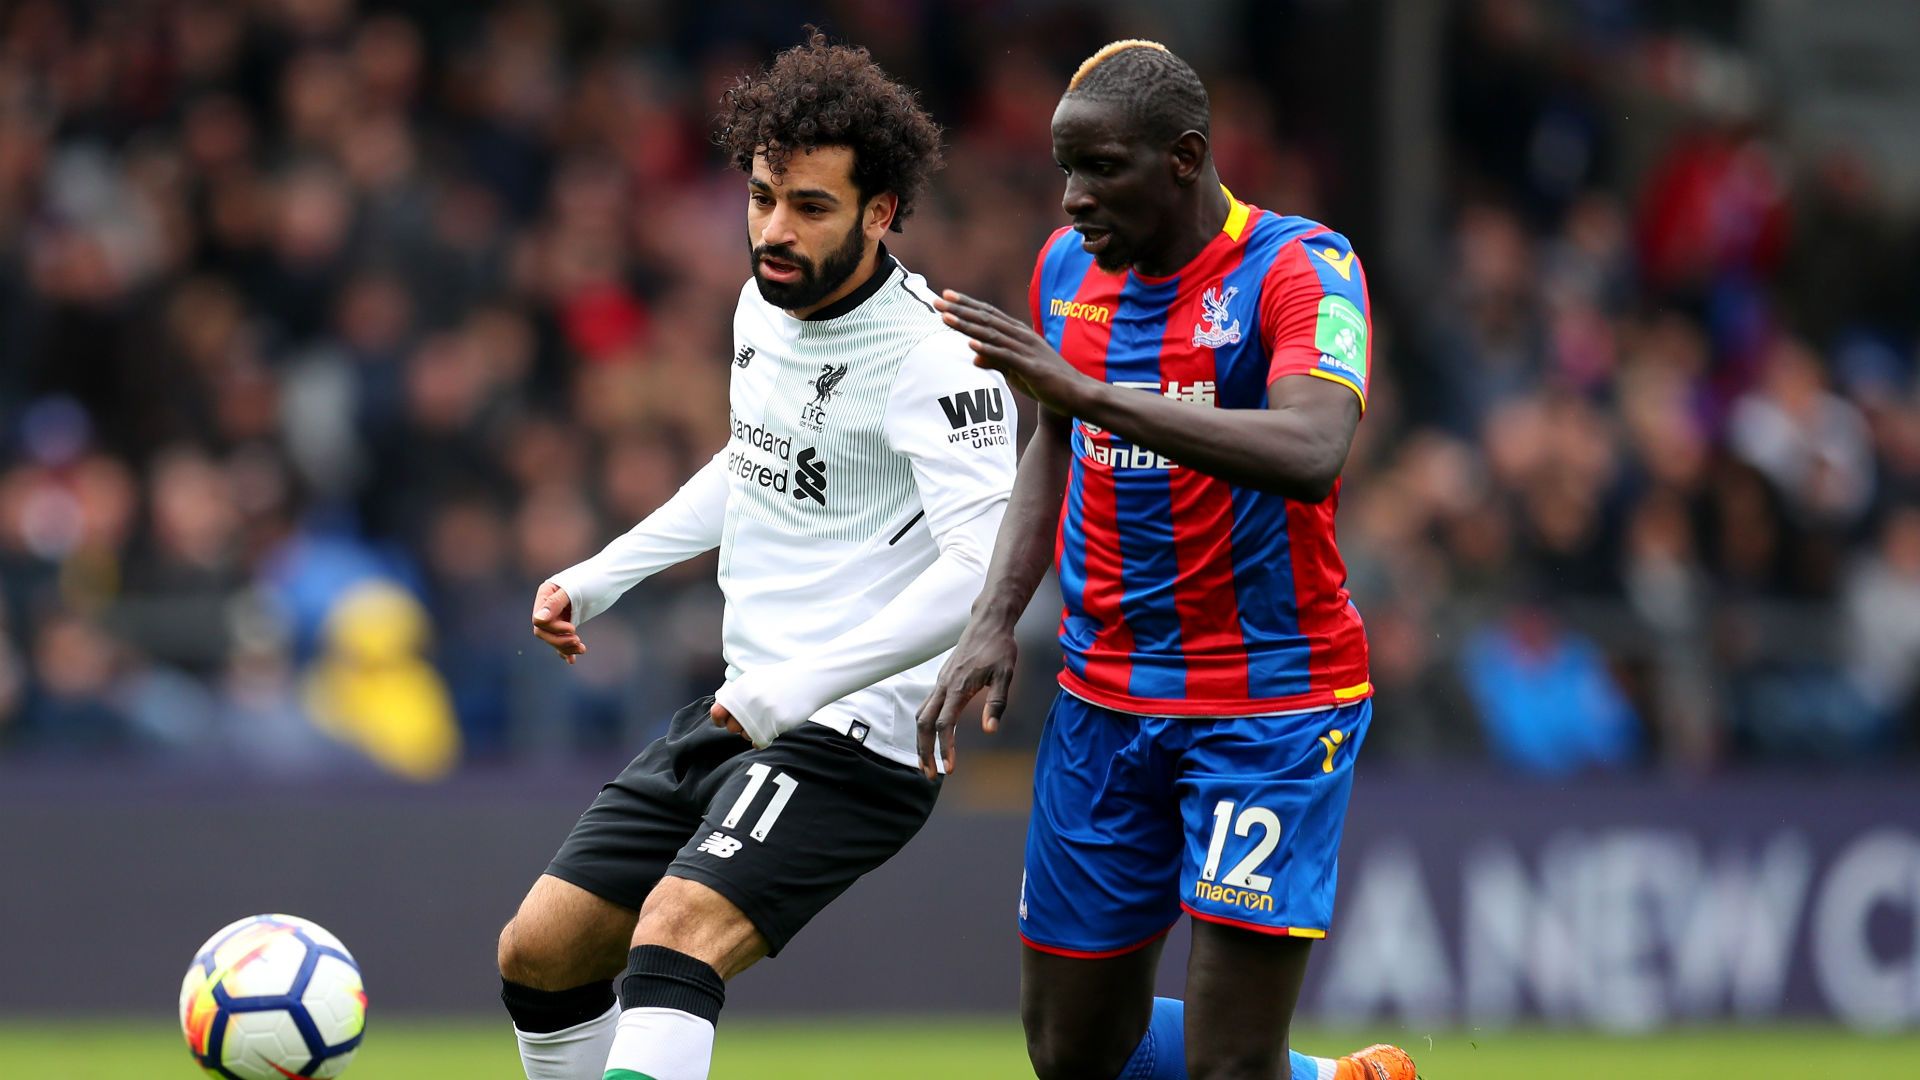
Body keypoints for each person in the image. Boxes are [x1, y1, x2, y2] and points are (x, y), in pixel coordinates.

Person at [493, 33, 1016, 1080]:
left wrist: (794, 691)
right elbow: (756, 466)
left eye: (810, 207)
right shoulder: (763, 304)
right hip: (751, 705)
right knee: (540, 954)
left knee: (676, 934)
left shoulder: (936, 356)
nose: (774, 230)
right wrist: (602, 575)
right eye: (762, 196)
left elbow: (979, 574)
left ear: (880, 213)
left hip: (857, 736)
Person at [919, 40, 1417, 1080]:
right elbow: (1050, 441)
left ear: (1185, 158)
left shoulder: (1302, 267)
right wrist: (994, 615)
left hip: (1267, 709)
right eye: (1065, 169)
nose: (1070, 200)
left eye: (1100, 168)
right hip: (1105, 701)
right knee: (1072, 1049)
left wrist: (1093, 394)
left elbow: (1313, 448)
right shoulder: (1068, 273)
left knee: (1230, 1068)